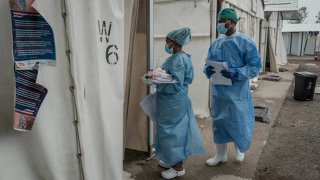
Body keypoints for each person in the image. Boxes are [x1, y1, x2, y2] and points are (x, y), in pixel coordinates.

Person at [204, 8, 262, 166]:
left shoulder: (245, 42)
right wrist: (207, 70)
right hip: (219, 92)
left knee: (238, 120)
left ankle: (239, 150)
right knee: (219, 122)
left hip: (237, 93)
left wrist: (236, 73)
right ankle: (220, 155)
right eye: (219, 21)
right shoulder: (216, 43)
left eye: (224, 21)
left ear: (234, 22)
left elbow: (255, 66)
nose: (220, 24)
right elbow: (208, 62)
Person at [155, 27, 206, 179]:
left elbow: (176, 84)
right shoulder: (181, 56)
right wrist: (161, 76)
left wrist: (157, 81)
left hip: (174, 101)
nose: (166, 45)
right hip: (172, 101)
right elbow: (177, 79)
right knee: (168, 131)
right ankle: (171, 160)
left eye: (167, 42)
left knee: (174, 133)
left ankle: (178, 167)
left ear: (173, 43)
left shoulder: (178, 60)